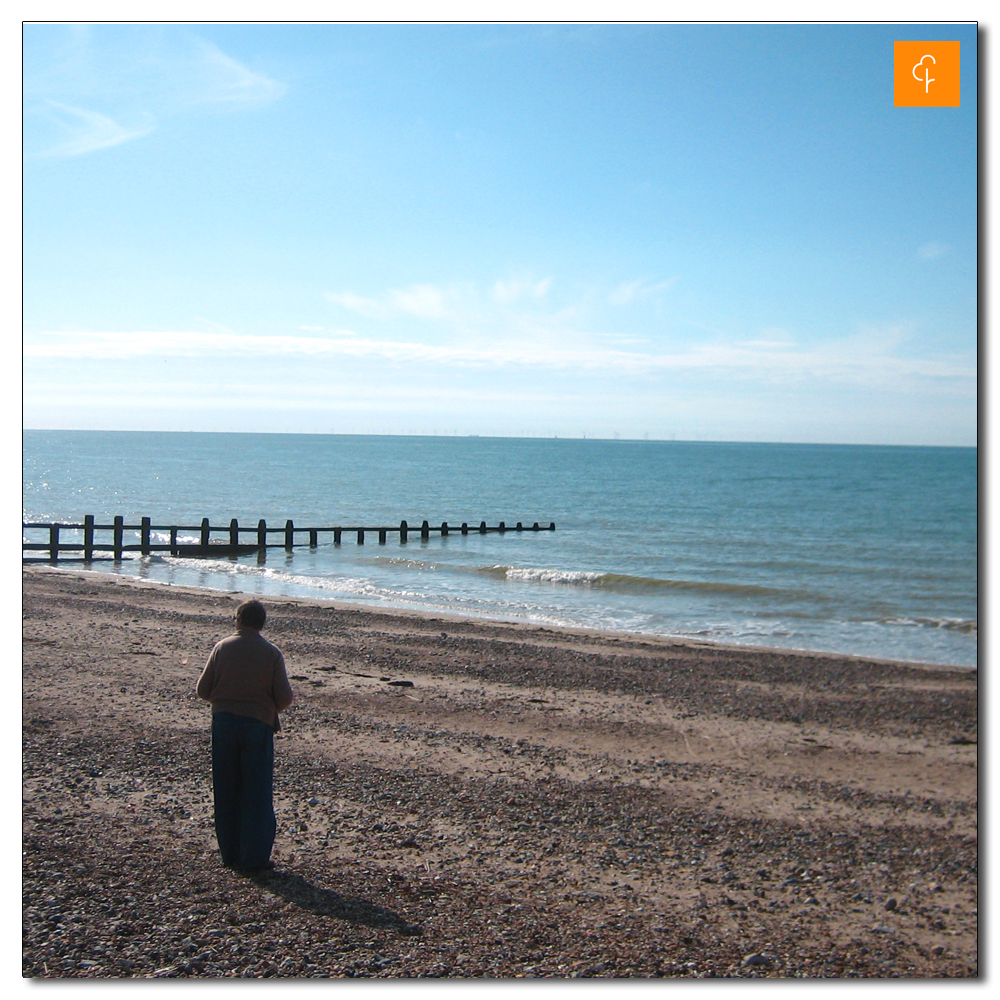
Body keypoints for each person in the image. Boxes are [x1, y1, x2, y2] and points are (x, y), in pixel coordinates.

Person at [197, 599, 294, 873]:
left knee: (226, 787)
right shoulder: (271, 653)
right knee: (256, 792)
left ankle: (229, 853)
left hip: (224, 722)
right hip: (257, 725)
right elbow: (285, 698)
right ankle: (254, 858)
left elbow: (203, 690)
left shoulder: (222, 647)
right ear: (261, 624)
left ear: (238, 620)